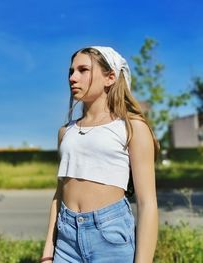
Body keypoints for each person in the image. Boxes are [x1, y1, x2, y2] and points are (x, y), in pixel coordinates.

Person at [41, 46, 159, 263]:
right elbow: (59, 195)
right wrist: (47, 254)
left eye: (83, 70)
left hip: (110, 236)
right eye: (71, 71)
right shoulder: (66, 132)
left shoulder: (132, 128)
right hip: (66, 240)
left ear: (110, 77)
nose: (72, 78)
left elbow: (147, 203)